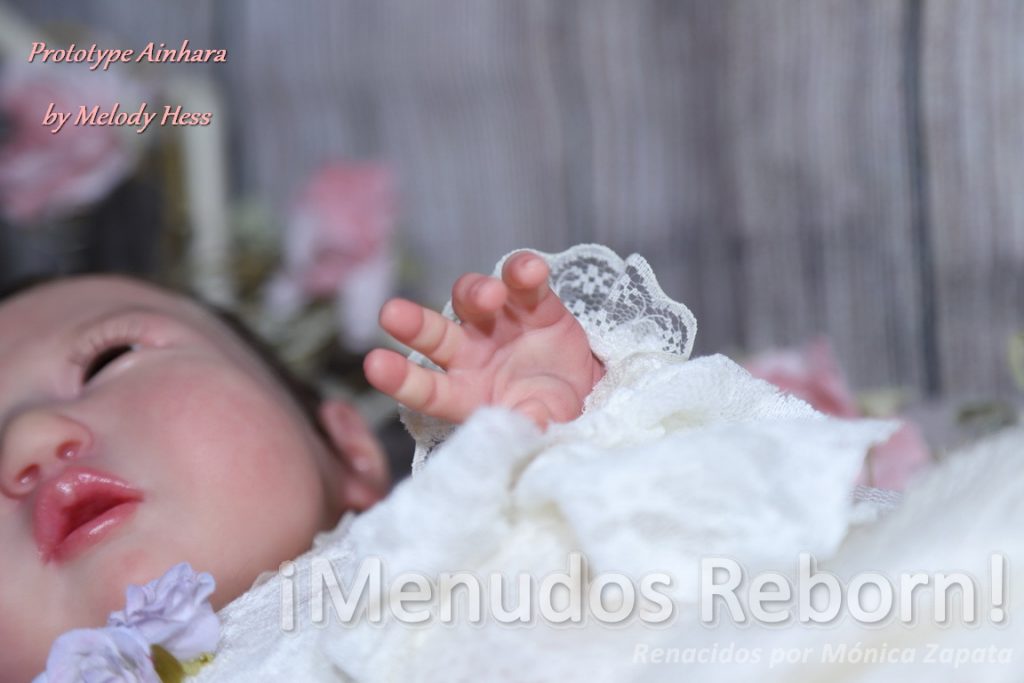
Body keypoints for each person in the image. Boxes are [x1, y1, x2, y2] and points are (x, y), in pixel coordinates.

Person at [0, 249, 604, 682]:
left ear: (348, 450)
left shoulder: (444, 566)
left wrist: (562, 436)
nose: (30, 436)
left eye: (108, 359)